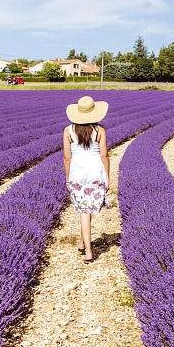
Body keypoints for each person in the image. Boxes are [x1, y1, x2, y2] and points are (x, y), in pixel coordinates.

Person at [63, 95, 110, 262]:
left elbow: (67, 158)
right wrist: (107, 177)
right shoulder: (100, 131)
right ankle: (88, 249)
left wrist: (68, 178)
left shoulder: (68, 131)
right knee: (87, 211)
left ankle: (85, 245)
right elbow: (104, 155)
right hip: (95, 173)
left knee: (83, 211)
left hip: (77, 174)